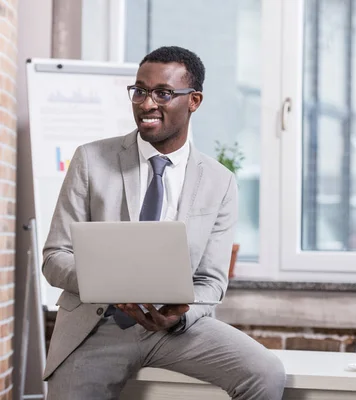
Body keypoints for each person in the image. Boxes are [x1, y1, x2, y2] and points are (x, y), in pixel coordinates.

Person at [42, 45, 286, 399]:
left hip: (176, 328)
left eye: (163, 93)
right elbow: (54, 257)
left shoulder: (220, 181)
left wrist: (179, 317)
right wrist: (107, 282)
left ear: (194, 100)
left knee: (265, 372)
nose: (146, 103)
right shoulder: (91, 160)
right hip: (98, 324)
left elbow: (211, 281)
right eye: (140, 91)